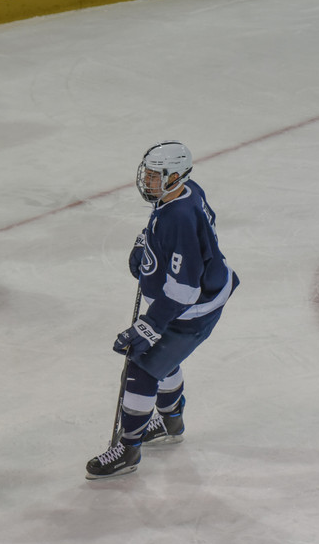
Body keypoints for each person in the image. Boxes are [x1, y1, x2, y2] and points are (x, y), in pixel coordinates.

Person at [85, 141, 240, 479]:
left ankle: (128, 450)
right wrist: (147, 242)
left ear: (174, 176)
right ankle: (171, 422)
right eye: (148, 173)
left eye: (155, 176)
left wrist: (149, 326)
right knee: (165, 362)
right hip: (195, 300)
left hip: (191, 311)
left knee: (141, 370)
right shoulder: (182, 194)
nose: (147, 181)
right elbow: (179, 240)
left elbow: (185, 288)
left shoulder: (179, 216)